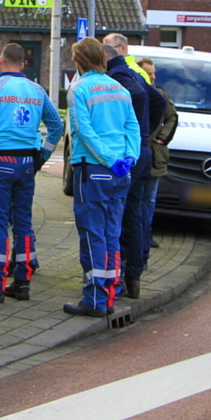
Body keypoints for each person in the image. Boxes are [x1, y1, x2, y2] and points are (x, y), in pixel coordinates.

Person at [0, 43, 63, 303]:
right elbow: (56, 125)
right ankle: (22, 282)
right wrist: (44, 154)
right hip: (27, 163)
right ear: (23, 65)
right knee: (23, 223)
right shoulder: (37, 90)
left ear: (0, 62)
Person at [64, 38, 140, 317]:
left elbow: (83, 131)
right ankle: (110, 291)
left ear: (80, 62)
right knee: (112, 232)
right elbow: (132, 126)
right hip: (121, 171)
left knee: (93, 232)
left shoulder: (79, 89)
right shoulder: (119, 88)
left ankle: (95, 298)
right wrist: (128, 158)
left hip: (92, 169)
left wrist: (108, 159)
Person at [105, 43, 167, 299]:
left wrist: (136, 132)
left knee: (125, 213)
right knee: (137, 211)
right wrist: (145, 132)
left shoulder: (118, 76)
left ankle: (123, 274)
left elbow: (142, 98)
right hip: (142, 149)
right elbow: (158, 100)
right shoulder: (131, 71)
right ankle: (135, 274)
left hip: (130, 152)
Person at [136, 57, 178, 262]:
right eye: (148, 73)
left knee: (150, 199)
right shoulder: (136, 91)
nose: (152, 76)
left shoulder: (161, 94)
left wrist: (162, 138)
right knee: (138, 198)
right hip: (140, 153)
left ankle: (147, 233)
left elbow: (172, 117)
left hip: (156, 156)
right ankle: (140, 236)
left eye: (153, 73)